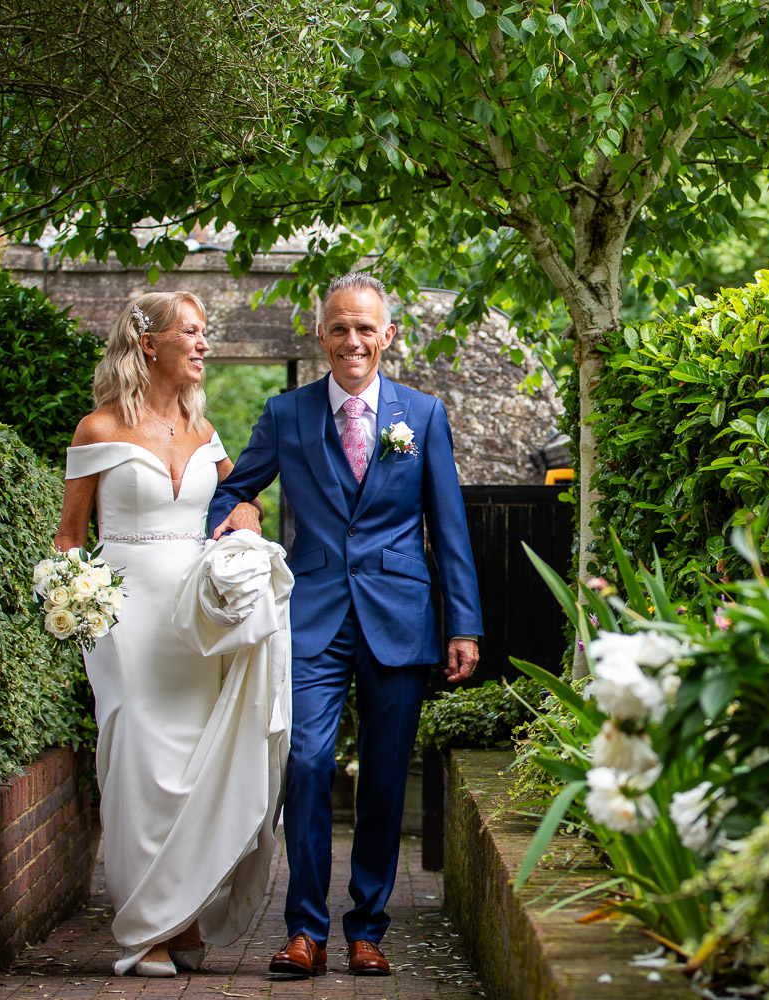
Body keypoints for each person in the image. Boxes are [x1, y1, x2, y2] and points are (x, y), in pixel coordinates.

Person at [207, 273, 483, 978]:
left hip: (400, 615)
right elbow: (233, 489)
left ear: (388, 335)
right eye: (339, 328)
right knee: (303, 765)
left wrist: (465, 626)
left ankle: (367, 928)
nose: (352, 341)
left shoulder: (422, 415)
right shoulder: (286, 413)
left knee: (387, 778)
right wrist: (243, 515)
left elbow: (448, 527)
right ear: (321, 335)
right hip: (313, 615)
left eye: (366, 328)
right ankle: (305, 930)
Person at [55, 291, 281, 977]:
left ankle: (182, 920)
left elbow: (235, 504)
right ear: (149, 343)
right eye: (191, 331)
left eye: (205, 331)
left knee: (191, 770)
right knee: (137, 766)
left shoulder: (204, 432)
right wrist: (78, 602)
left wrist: (246, 510)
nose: (203, 343)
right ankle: (141, 931)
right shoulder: (96, 432)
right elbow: (69, 540)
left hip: (195, 620)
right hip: (125, 619)